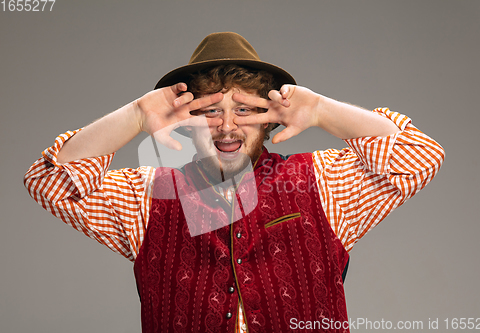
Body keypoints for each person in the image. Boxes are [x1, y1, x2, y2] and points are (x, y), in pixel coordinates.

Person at [24, 32, 444, 333]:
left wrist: (319, 109)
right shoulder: (146, 197)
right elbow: (49, 180)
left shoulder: (324, 182)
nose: (227, 127)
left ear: (269, 117)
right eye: (210, 111)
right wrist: (135, 116)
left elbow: (420, 154)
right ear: (186, 121)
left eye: (244, 110)